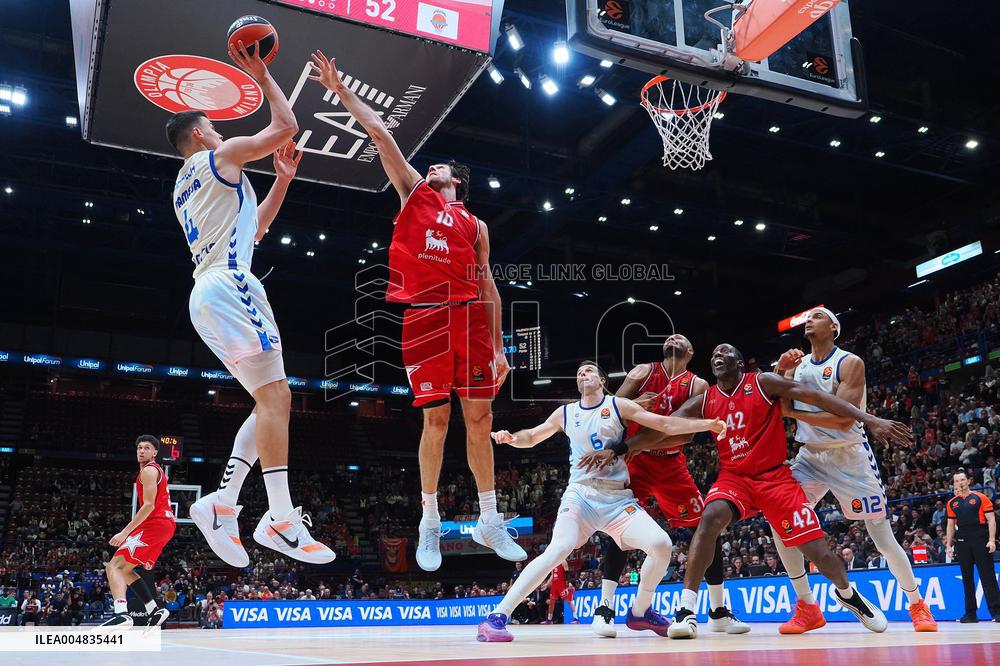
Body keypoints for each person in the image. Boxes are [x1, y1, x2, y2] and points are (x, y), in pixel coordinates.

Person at [308, 51, 518, 571]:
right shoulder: (414, 194)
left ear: (458, 182)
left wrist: (498, 346)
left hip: (470, 319)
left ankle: (490, 519)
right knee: (436, 420)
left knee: (480, 418)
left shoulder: (476, 226)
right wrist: (340, 90)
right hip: (424, 318)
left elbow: (488, 285)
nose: (432, 167)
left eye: (440, 166)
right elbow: (381, 134)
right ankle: (428, 521)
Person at [600, 344, 911, 638]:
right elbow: (664, 428)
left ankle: (848, 594)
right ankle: (687, 610)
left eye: (725, 351)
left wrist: (869, 419)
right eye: (714, 353)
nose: (718, 354)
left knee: (818, 552)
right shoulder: (706, 399)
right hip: (734, 478)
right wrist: (623, 447)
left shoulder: (763, 382)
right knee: (709, 519)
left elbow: (816, 396)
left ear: (739, 362)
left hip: (775, 479)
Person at [170, 40, 333, 567]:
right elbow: (285, 127)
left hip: (207, 292)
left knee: (269, 401)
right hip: (229, 286)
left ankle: (223, 502)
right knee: (277, 398)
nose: (221, 132)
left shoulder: (183, 187)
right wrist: (262, 75)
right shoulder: (217, 156)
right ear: (200, 134)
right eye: (214, 127)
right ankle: (280, 517)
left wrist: (282, 180)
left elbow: (253, 229)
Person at [476, 360, 727, 641]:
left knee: (661, 545)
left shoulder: (619, 406)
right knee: (558, 549)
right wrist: (512, 437)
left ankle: (640, 611)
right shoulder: (566, 413)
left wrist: (707, 424)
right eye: (579, 372)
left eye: (589, 371)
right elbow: (533, 436)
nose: (582, 374)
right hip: (580, 495)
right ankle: (497, 616)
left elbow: (665, 424)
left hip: (616, 499)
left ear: (602, 381)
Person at [774, 307, 937, 632]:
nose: (810, 320)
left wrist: (794, 413)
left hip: (849, 456)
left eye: (818, 316)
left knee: (883, 540)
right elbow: (778, 406)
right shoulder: (798, 365)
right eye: (808, 318)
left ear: (834, 327)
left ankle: (917, 603)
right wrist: (781, 370)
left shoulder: (849, 362)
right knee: (782, 524)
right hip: (810, 457)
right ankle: (806, 606)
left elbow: (842, 419)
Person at [595, 334, 747, 636]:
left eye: (681, 338)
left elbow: (686, 435)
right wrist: (634, 405)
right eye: (670, 336)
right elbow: (610, 412)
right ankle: (605, 609)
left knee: (706, 529)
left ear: (689, 352)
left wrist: (641, 441)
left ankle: (718, 611)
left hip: (670, 464)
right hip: (635, 462)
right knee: (619, 529)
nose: (673, 337)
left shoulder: (697, 385)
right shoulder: (642, 371)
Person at [99, 435, 174, 628]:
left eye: (147, 448)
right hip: (164, 525)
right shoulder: (155, 470)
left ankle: (121, 614)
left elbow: (148, 506)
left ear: (155, 452)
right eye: (139, 447)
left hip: (156, 523)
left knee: (113, 566)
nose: (141, 451)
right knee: (125, 569)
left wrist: (124, 533)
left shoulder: (149, 470)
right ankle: (154, 610)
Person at [945, 471, 1000, 622]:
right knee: (967, 578)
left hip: (981, 539)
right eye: (957, 481)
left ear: (968, 481)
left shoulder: (981, 498)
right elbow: (950, 525)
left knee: (988, 576)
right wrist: (949, 545)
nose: (960, 483)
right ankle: (970, 614)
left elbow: (991, 520)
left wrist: (991, 540)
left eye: (962, 479)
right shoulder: (952, 503)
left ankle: (997, 612)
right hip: (962, 540)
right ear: (954, 484)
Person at [541, 560, 577, 624]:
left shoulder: (563, 561)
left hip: (562, 583)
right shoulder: (553, 563)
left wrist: (569, 582)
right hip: (554, 584)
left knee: (569, 600)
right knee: (552, 602)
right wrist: (546, 584)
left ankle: (576, 618)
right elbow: (552, 575)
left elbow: (567, 573)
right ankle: (549, 620)